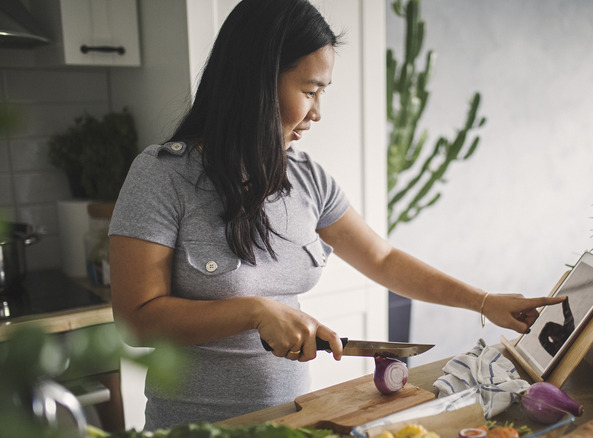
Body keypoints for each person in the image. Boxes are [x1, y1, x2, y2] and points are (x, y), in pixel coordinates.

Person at [109, 0, 566, 430]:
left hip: (293, 422)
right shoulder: (161, 176)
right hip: (197, 429)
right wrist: (252, 311)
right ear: (255, 81)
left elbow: (383, 260)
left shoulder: (308, 178)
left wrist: (484, 302)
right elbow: (136, 320)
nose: (318, 112)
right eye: (310, 91)